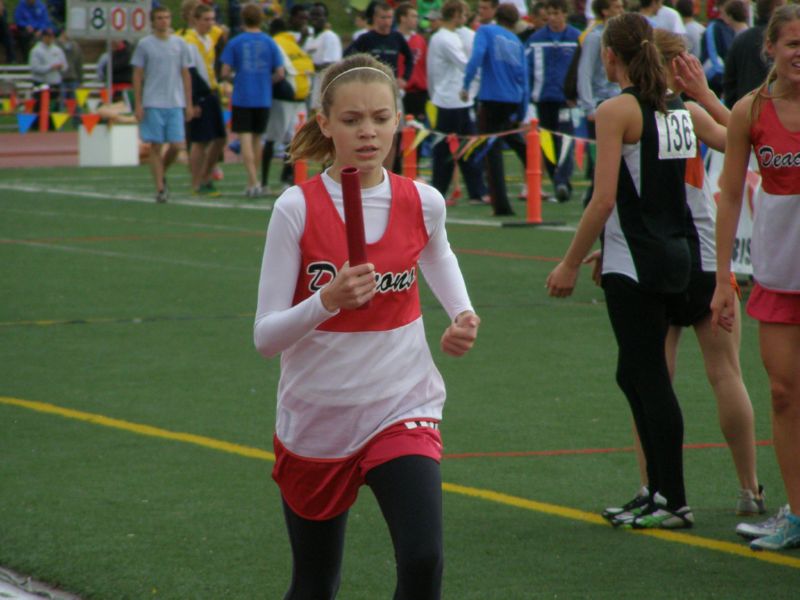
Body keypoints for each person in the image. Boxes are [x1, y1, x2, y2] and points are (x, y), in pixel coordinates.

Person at [254, 52, 480, 599]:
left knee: (423, 560)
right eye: (352, 120)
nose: (368, 131)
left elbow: (438, 256)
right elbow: (265, 337)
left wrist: (462, 314)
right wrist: (326, 300)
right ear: (324, 124)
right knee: (315, 582)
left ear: (399, 120)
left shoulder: (423, 201)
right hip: (318, 417)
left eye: (380, 118)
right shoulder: (295, 208)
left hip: (402, 404)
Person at [601, 30, 765, 524]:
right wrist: (707, 96)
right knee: (720, 374)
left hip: (665, 255)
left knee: (650, 374)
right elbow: (741, 139)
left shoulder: (648, 113)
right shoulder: (685, 113)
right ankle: (747, 488)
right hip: (702, 253)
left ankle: (657, 486)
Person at [546, 13, 696, 530]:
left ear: (610, 55)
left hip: (637, 260)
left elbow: (604, 197)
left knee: (647, 375)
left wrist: (568, 261)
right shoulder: (675, 106)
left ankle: (672, 499)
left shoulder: (617, 109)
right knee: (635, 372)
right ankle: (656, 491)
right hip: (670, 251)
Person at [711, 3, 800, 551]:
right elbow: (726, 197)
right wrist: (723, 277)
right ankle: (796, 512)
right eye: (793, 44)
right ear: (771, 48)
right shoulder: (749, 110)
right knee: (785, 393)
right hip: (778, 275)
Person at [461, 2, 527, 216]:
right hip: (512, 101)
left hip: (492, 99)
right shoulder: (517, 41)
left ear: (496, 16)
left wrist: (466, 84)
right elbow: (524, 79)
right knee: (510, 138)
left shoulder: (486, 30)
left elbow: (476, 58)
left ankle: (501, 206)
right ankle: (538, 161)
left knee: (491, 151)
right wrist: (522, 111)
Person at [427, 0, 488, 205]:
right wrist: (480, 81)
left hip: (453, 99)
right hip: (452, 100)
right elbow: (465, 65)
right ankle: (442, 192)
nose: (465, 19)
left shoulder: (447, 36)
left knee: (463, 147)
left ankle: (475, 191)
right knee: (449, 148)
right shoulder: (445, 39)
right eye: (462, 14)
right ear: (454, 15)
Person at [220, 2, 284, 197]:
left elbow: (224, 71)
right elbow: (280, 73)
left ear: (242, 19)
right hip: (263, 97)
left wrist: (235, 78)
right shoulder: (269, 41)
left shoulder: (236, 42)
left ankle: (254, 181)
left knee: (245, 139)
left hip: (242, 96)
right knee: (257, 140)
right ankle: (253, 181)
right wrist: (266, 81)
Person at [132, 6, 193, 203]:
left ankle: (161, 173)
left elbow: (186, 74)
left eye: (166, 17)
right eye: (159, 18)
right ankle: (160, 189)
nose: (164, 21)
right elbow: (138, 75)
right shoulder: (145, 44)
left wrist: (189, 103)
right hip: (153, 101)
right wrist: (138, 104)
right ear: (153, 21)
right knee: (156, 147)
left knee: (176, 146)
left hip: (175, 102)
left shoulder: (180, 44)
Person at [527, 0, 581, 203]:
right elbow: (528, 69)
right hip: (542, 99)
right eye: (549, 13)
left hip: (567, 100)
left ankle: (561, 181)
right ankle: (559, 182)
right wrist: (528, 99)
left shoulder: (576, 38)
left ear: (565, 14)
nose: (553, 17)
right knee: (546, 143)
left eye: (557, 13)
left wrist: (578, 94)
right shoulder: (536, 39)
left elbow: (581, 69)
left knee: (566, 141)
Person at [576, 0, 624, 205]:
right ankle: (594, 198)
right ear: (604, 11)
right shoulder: (595, 38)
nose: (621, 11)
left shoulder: (622, 37)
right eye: (616, 7)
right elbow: (584, 72)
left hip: (620, 100)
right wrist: (588, 105)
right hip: (601, 102)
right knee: (605, 155)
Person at [261, 17, 314, 192]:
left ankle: (263, 182)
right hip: (301, 96)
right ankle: (287, 178)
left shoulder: (273, 42)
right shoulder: (293, 43)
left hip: (283, 96)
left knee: (271, 139)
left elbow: (277, 71)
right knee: (293, 140)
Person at [182, 3, 228, 196]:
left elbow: (222, 32)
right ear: (196, 20)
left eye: (212, 19)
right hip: (201, 93)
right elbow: (189, 73)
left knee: (220, 138)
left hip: (212, 91)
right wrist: (193, 100)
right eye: (206, 19)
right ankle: (196, 183)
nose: (211, 23)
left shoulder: (209, 38)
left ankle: (206, 176)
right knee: (200, 141)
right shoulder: (190, 41)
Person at [723, 0, 786, 108]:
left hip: (744, 110)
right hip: (775, 111)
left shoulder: (741, 40)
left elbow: (729, 83)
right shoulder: (783, 41)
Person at [303, 2, 343, 110]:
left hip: (323, 90)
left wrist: (308, 66)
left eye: (319, 15)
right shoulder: (309, 39)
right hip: (308, 90)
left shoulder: (330, 37)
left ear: (325, 17)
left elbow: (331, 65)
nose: (315, 18)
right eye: (313, 15)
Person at [29, 27, 64, 117]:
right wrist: (50, 67)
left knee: (54, 106)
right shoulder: (36, 50)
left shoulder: (58, 50)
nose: (50, 39)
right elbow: (35, 68)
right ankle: (37, 126)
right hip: (41, 82)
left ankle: (53, 126)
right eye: (47, 36)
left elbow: (65, 65)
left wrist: (61, 67)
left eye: (51, 36)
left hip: (55, 82)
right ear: (43, 37)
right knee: (39, 106)